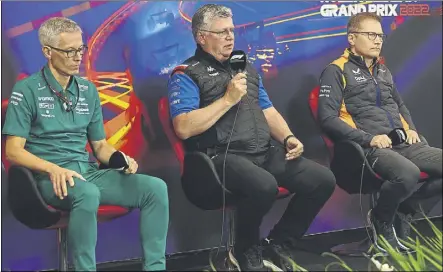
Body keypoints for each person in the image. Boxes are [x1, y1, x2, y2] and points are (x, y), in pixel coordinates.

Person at [167, 4, 336, 271]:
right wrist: (226, 100)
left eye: (231, 31)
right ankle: (244, 250)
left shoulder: (245, 68)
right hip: (220, 157)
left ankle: (277, 244)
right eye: (221, 32)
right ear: (201, 37)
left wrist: (288, 137)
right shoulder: (186, 74)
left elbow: (267, 109)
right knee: (264, 186)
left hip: (262, 152)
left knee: (322, 180)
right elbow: (184, 127)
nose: (230, 37)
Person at [3, 17, 169, 271]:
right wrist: (52, 169)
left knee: (154, 188)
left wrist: (119, 159)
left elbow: (100, 147)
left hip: (87, 172)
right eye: (69, 51)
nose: (77, 56)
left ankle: (155, 268)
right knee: (87, 193)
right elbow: (12, 151)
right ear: (48, 52)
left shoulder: (88, 90)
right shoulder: (26, 90)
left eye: (80, 49)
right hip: (49, 180)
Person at [318, 12, 442, 253]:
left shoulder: (383, 71)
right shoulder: (335, 71)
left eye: (380, 35)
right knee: (407, 174)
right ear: (352, 38)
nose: (378, 40)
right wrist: (369, 138)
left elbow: (399, 104)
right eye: (371, 35)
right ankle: (381, 221)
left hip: (403, 143)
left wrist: (412, 130)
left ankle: (405, 209)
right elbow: (327, 118)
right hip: (368, 147)